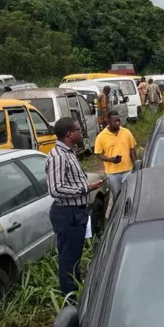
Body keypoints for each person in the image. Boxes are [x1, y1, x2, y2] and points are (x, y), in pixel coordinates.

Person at [46, 117, 105, 296]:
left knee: (74, 257)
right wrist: (87, 188)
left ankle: (76, 290)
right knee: (68, 259)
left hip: (76, 212)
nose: (81, 132)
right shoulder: (58, 157)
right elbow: (56, 189)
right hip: (67, 213)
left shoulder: (69, 152)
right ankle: (70, 300)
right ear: (69, 134)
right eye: (78, 129)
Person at [95, 110, 137, 197]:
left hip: (127, 170)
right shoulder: (101, 137)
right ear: (109, 121)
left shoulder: (126, 132)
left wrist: (136, 165)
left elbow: (132, 150)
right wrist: (111, 160)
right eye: (115, 121)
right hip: (112, 173)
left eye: (119, 120)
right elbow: (99, 154)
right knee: (117, 196)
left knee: (129, 195)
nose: (118, 123)